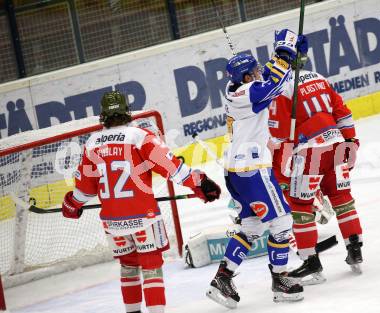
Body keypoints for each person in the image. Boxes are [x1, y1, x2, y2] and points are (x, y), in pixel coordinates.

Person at [61, 91, 221, 313]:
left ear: (103, 116)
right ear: (127, 111)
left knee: (128, 266)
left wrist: (72, 204)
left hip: (112, 222)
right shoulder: (139, 136)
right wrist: (200, 183)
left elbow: (85, 190)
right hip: (143, 218)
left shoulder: (92, 143)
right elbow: (172, 168)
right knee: (151, 266)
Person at [206, 33, 308, 309]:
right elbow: (269, 87)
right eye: (254, 71)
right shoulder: (244, 92)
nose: (259, 72)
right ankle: (280, 279)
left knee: (252, 226)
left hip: (237, 171)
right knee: (283, 222)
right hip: (252, 169)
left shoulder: (238, 88)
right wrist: (285, 55)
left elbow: (271, 83)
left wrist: (287, 57)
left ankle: (222, 279)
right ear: (246, 77)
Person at [268, 29, 364, 283]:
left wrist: (280, 171)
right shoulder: (319, 78)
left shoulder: (282, 88)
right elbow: (342, 113)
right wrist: (351, 141)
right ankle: (355, 248)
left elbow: (278, 136)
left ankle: (311, 262)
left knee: (300, 206)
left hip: (309, 152)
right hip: (336, 143)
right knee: (342, 198)